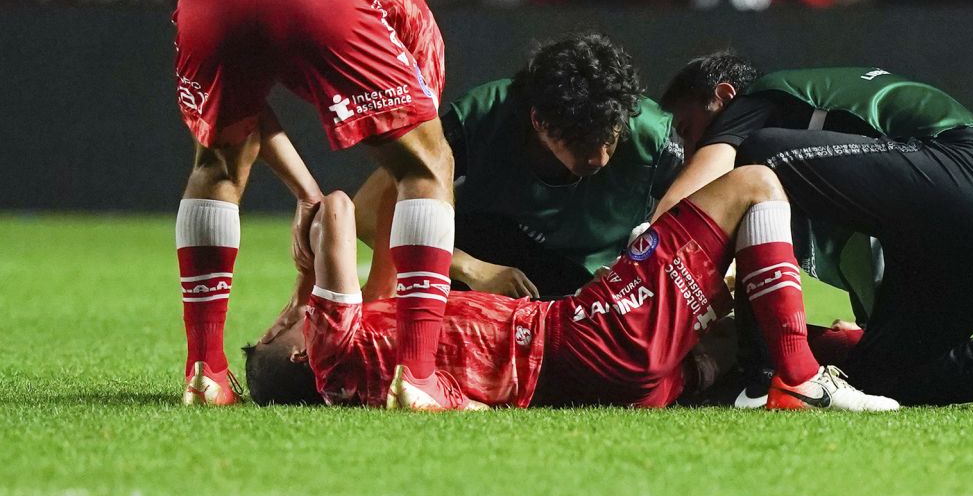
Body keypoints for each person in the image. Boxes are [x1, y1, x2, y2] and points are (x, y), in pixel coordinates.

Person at [656, 53, 973, 411]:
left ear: (722, 96)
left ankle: (759, 378)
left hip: (972, 171)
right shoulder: (834, 179)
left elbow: (691, 195)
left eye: (688, 129)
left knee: (758, 159)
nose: (689, 147)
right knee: (880, 374)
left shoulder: (756, 101)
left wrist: (635, 265)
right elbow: (871, 255)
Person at [242, 168, 900, 412]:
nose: (285, 322)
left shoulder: (362, 374)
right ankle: (802, 379)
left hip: (607, 383)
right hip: (579, 337)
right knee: (752, 185)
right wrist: (306, 273)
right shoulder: (335, 348)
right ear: (303, 354)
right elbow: (335, 208)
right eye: (282, 332)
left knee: (729, 329)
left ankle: (866, 357)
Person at [172, 0, 463, 411]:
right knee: (429, 162)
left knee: (216, 165)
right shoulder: (423, 39)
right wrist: (377, 297)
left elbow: (242, 112)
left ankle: (206, 372)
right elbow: (408, 177)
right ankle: (418, 375)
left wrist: (306, 192)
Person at [352, 33, 684, 300]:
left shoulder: (652, 134)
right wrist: (471, 268)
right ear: (538, 120)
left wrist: (634, 269)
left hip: (594, 281)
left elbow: (704, 219)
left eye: (610, 139)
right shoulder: (483, 118)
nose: (599, 158)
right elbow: (366, 212)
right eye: (580, 141)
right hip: (484, 264)